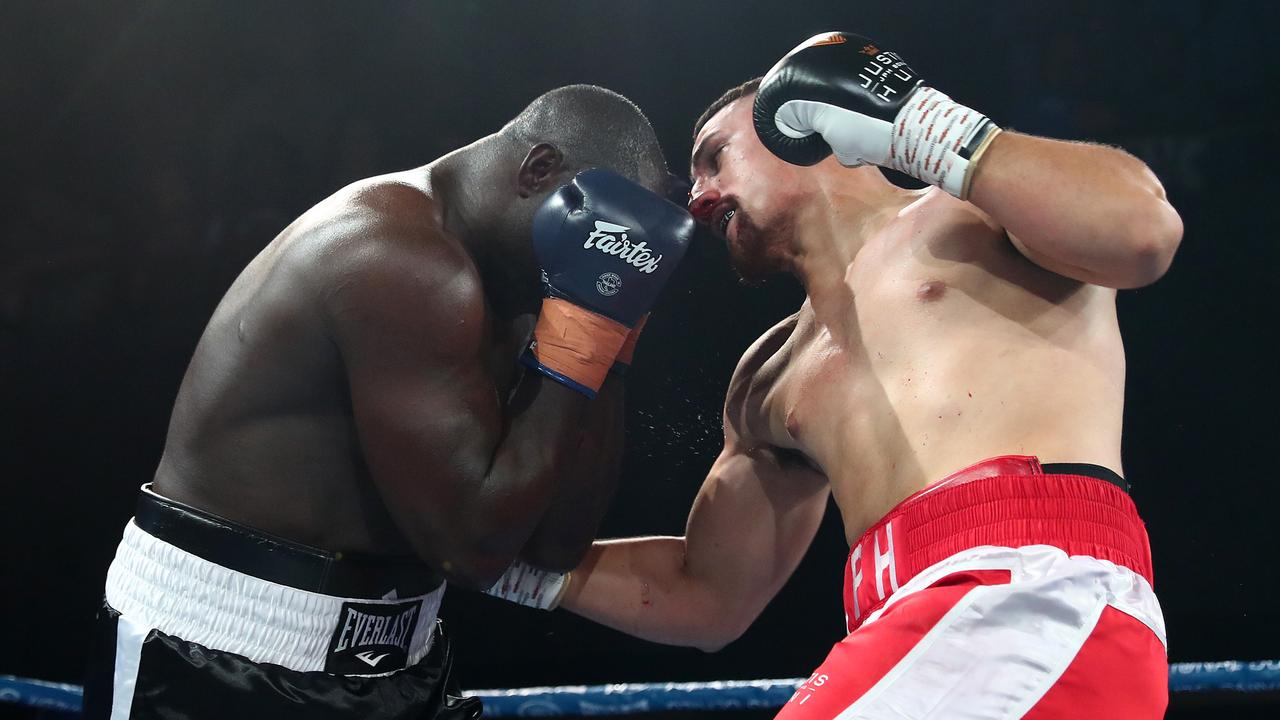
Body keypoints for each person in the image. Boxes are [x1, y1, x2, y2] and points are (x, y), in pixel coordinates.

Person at [506, 33, 1183, 718]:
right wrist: (499, 563)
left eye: (715, 157)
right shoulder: (767, 379)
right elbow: (707, 595)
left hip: (1032, 598)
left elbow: (1141, 230)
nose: (701, 198)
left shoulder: (975, 210)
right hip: (908, 627)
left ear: (803, 124)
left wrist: (919, 124)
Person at [82, 85, 694, 720]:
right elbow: (473, 551)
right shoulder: (395, 256)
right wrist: (589, 319)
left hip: (400, 665)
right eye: (602, 231)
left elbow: (553, 546)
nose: (605, 251)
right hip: (215, 656)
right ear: (539, 171)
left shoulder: (528, 279)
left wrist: (611, 331)